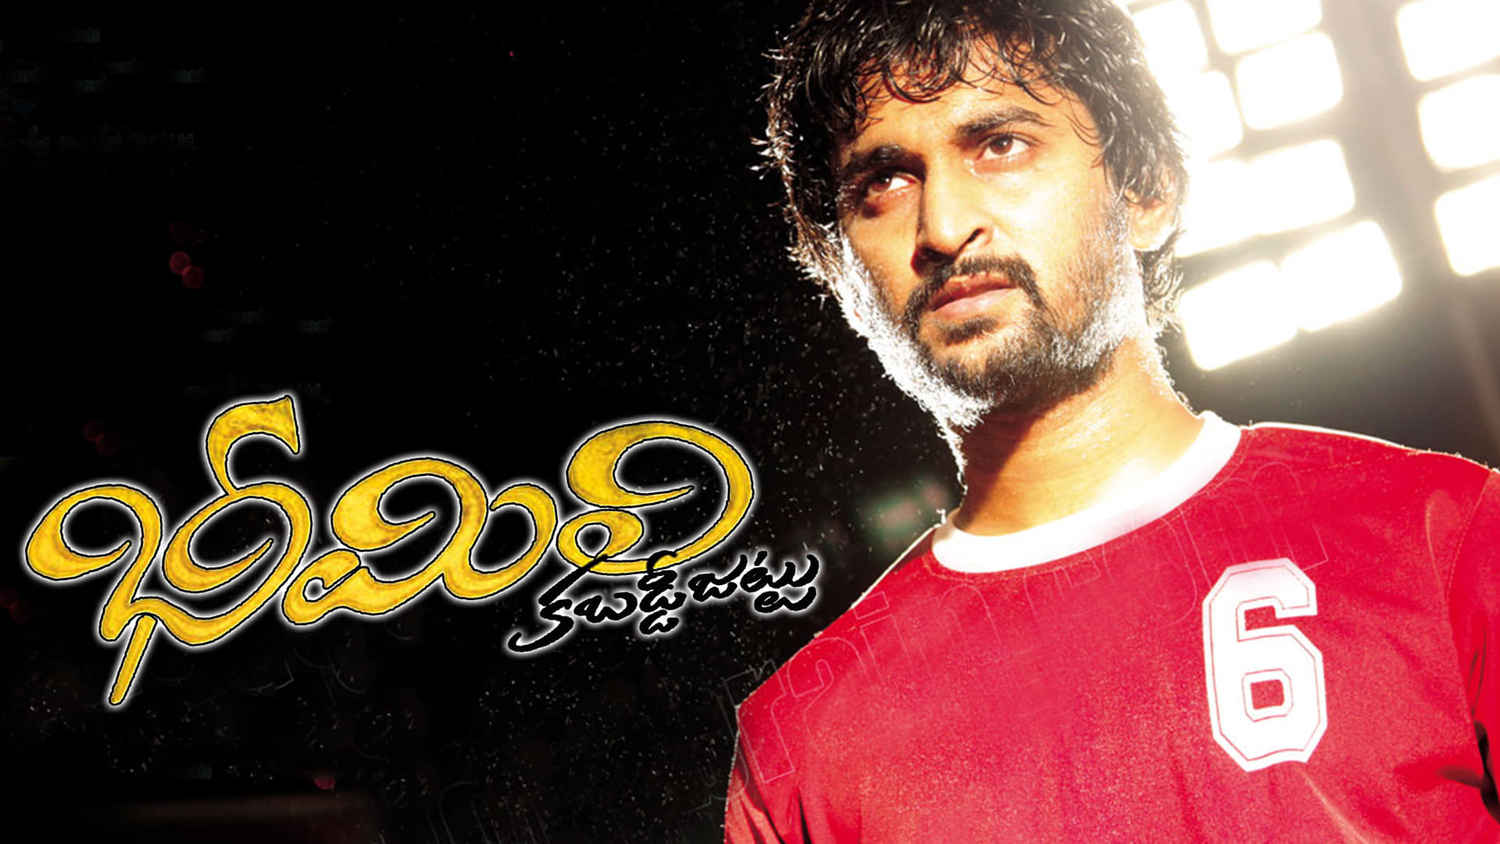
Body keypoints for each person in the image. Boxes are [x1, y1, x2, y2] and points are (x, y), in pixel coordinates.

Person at [723, 0, 1500, 839]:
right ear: (837, 268)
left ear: (1147, 191)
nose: (943, 226)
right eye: (884, 181)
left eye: (1000, 144)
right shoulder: (801, 749)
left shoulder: (1442, 538)